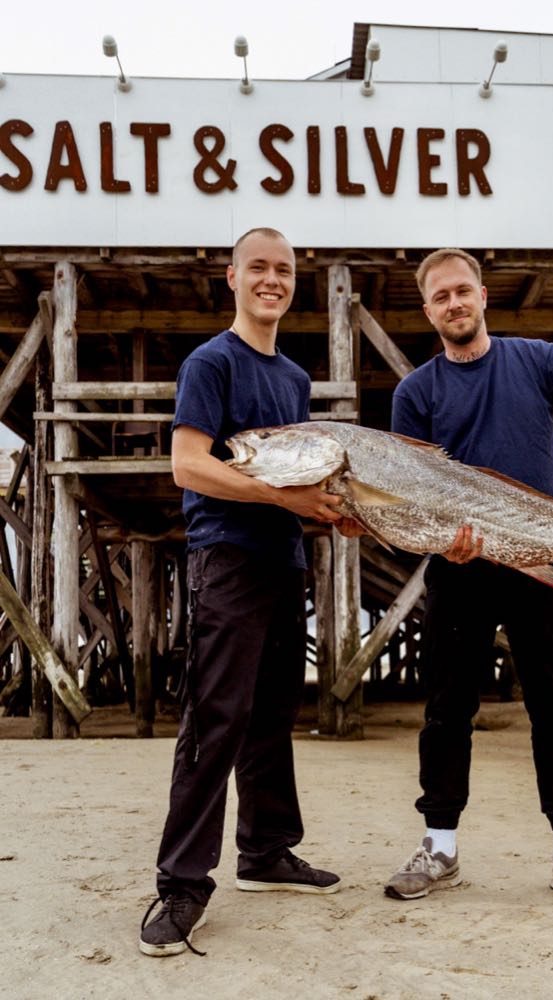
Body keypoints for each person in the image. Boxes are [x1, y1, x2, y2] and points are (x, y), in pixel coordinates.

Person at [384, 247, 553, 907]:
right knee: (446, 711)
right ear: (428, 311)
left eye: (462, 291)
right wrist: (438, 542)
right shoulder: (413, 393)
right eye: (440, 297)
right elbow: (408, 496)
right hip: (461, 572)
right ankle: (439, 848)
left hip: (544, 559)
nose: (453, 303)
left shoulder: (536, 360)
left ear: (482, 295)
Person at [140, 228, 345, 957]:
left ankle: (265, 852)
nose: (272, 280)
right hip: (225, 558)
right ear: (232, 277)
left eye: (284, 270)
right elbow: (188, 466)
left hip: (284, 560)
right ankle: (182, 883)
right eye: (258, 267)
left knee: (273, 715)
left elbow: (298, 477)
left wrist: (328, 509)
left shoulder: (293, 378)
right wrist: (284, 500)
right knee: (216, 716)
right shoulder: (210, 362)